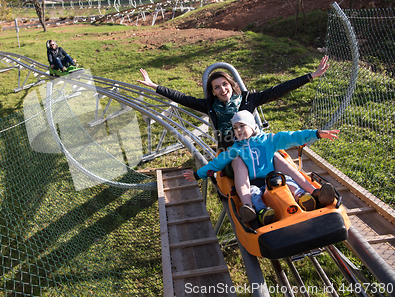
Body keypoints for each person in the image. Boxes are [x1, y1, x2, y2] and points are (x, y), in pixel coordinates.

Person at [137, 56, 333, 218]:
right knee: (239, 161)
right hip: (234, 152)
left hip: (257, 147)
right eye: (217, 87)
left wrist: (311, 76)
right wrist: (155, 86)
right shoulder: (210, 106)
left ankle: (309, 192)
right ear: (212, 92)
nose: (223, 90)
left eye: (225, 84)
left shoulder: (248, 99)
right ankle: (250, 204)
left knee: (277, 159)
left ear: (231, 84)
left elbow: (278, 90)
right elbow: (181, 98)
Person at [183, 110, 339, 225]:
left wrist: (317, 134)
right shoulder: (235, 149)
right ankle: (257, 211)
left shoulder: (269, 140)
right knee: (254, 195)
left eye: (242, 125)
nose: (238, 130)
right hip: (254, 182)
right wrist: (198, 175)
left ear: (252, 126)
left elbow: (292, 136)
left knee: (290, 183)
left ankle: (311, 195)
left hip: (275, 177)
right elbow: (216, 164)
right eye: (235, 128)